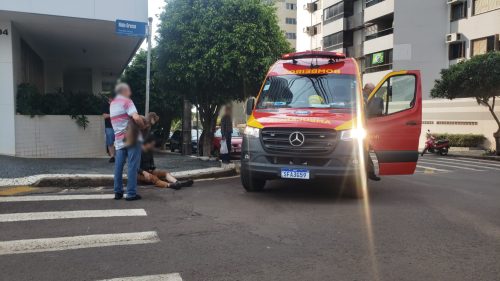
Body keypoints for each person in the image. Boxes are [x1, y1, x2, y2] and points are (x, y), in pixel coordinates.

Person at [110, 83, 145, 201]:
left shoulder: (112, 104)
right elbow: (136, 117)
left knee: (118, 166)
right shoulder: (127, 101)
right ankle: (131, 193)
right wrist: (142, 125)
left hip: (119, 140)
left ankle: (118, 192)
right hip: (132, 138)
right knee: (132, 166)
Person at [362, 83, 381, 181]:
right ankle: (369, 172)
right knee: (364, 152)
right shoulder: (363, 98)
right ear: (367, 89)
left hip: (363, 129)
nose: (373, 93)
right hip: (361, 129)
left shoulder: (364, 98)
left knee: (365, 152)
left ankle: (370, 172)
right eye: (372, 90)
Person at [102, 94, 115, 163]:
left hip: (117, 126)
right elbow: (104, 116)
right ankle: (112, 156)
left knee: (119, 142)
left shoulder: (117, 105)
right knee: (110, 141)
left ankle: (119, 157)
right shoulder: (105, 105)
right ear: (109, 98)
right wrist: (113, 114)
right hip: (109, 126)